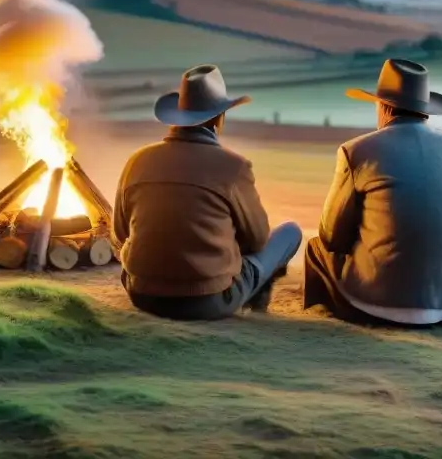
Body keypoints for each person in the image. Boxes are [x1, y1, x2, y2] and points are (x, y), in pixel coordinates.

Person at [303, 58, 442, 326]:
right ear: (426, 109)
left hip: (381, 306)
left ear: (383, 106)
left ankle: (332, 309)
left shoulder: (356, 151)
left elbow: (331, 237)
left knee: (315, 248)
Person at [112, 64, 302, 320]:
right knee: (290, 232)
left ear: (177, 116)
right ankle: (255, 301)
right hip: (207, 301)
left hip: (142, 294)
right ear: (219, 119)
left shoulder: (136, 161)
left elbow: (120, 232)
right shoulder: (234, 167)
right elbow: (257, 240)